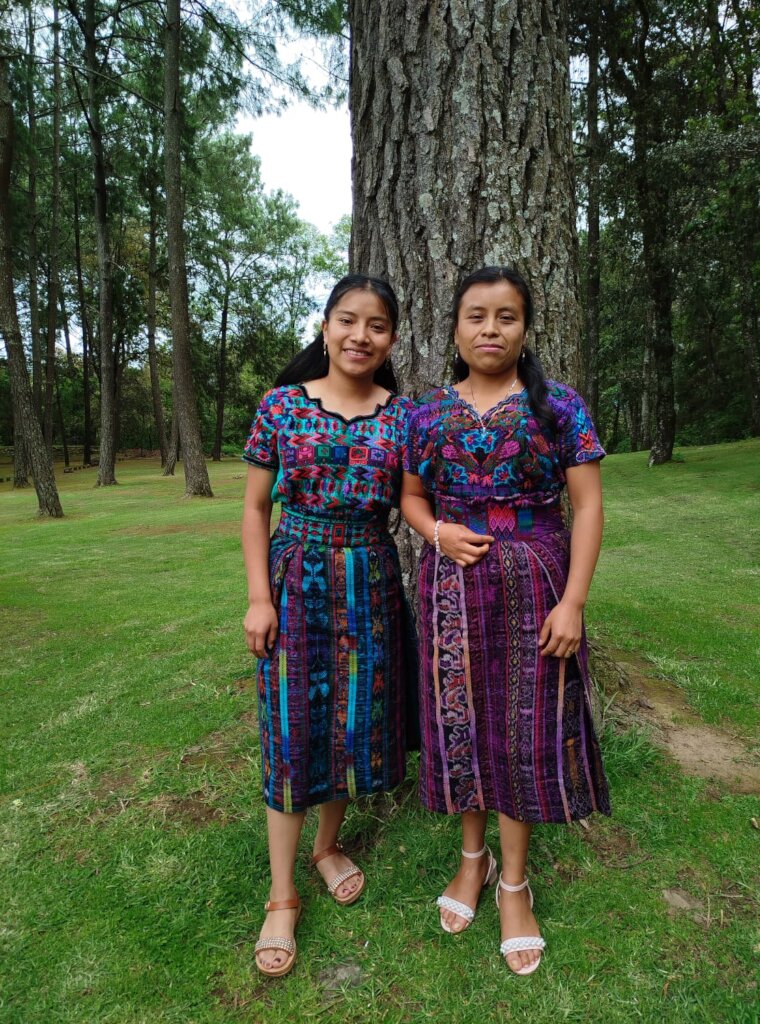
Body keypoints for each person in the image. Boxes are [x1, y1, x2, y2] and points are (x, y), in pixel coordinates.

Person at [401, 266, 610, 976]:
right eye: (477, 316)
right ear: (455, 328)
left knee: (523, 729)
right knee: (460, 724)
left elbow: (587, 506)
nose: (491, 330)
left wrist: (573, 600)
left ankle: (514, 884)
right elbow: (410, 495)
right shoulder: (425, 413)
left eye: (507, 317)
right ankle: (472, 860)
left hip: (536, 582)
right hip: (450, 585)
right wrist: (436, 534)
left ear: (527, 327)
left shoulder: (559, 408)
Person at [242, 274, 413, 978]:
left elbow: (419, 502)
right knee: (291, 727)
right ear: (326, 326)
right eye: (347, 320)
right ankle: (282, 894)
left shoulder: (401, 418)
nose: (360, 336)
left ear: (392, 338)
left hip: (370, 582)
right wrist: (259, 597)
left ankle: (325, 847)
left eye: (376, 325)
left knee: (348, 725)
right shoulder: (282, 407)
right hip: (294, 578)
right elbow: (255, 509)